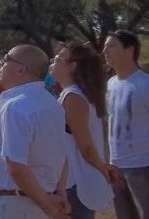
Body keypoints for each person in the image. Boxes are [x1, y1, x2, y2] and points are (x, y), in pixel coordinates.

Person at [0, 44, 70, 219]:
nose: (1, 63)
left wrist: (48, 205)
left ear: (21, 69)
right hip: (42, 200)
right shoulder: (53, 105)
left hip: (17, 205)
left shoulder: (16, 107)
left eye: (6, 59)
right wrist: (60, 193)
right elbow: (62, 157)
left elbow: (16, 166)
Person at [50, 41, 119, 218]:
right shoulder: (75, 94)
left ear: (71, 66)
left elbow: (86, 146)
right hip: (74, 181)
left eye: (58, 58)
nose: (53, 61)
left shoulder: (73, 97)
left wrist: (104, 169)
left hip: (76, 183)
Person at [103, 30, 149, 219]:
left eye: (111, 46)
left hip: (143, 166)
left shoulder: (145, 84)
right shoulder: (110, 84)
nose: (105, 51)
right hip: (116, 167)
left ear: (129, 50)